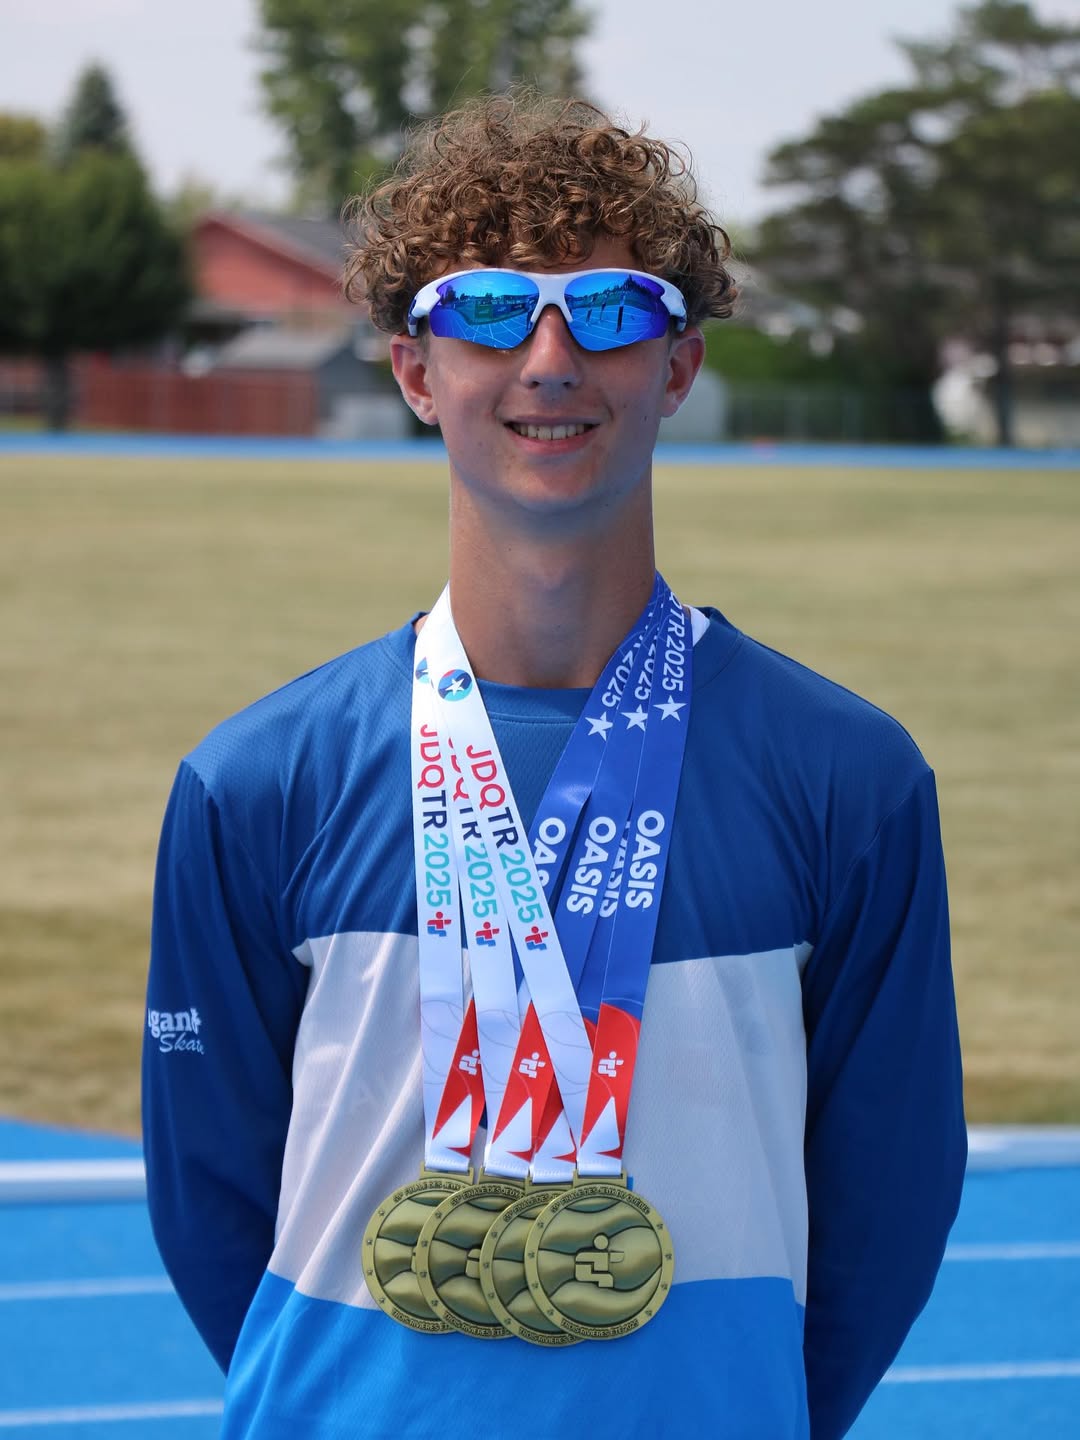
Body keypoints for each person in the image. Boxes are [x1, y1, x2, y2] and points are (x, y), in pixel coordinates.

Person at [143, 92, 966, 1439]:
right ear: (414, 371)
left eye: (610, 310)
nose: (548, 359)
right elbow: (212, 1199)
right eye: (484, 311)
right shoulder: (255, 785)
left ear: (679, 365)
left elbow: (892, 1194)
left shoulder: (850, 782)